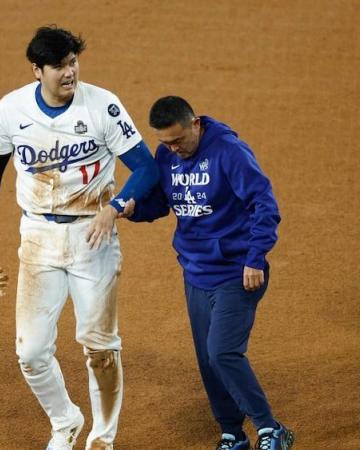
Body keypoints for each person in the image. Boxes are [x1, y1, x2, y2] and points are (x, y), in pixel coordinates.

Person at [0, 26, 159, 449]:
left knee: (100, 347)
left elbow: (147, 167)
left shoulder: (102, 105)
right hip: (38, 238)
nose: (71, 72)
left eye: (74, 62)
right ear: (37, 70)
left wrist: (115, 206)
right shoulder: (12, 110)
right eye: (61, 66)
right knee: (30, 353)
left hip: (93, 236)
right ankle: (65, 420)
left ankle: (103, 439)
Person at [123, 96, 295, 450]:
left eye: (179, 140)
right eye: (165, 143)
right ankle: (232, 433)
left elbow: (264, 203)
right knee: (207, 358)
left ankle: (270, 428)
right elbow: (162, 203)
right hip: (196, 271)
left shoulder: (229, 152)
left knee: (222, 352)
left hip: (237, 270)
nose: (174, 148)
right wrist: (134, 209)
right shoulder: (168, 154)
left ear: (196, 124)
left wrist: (255, 256)